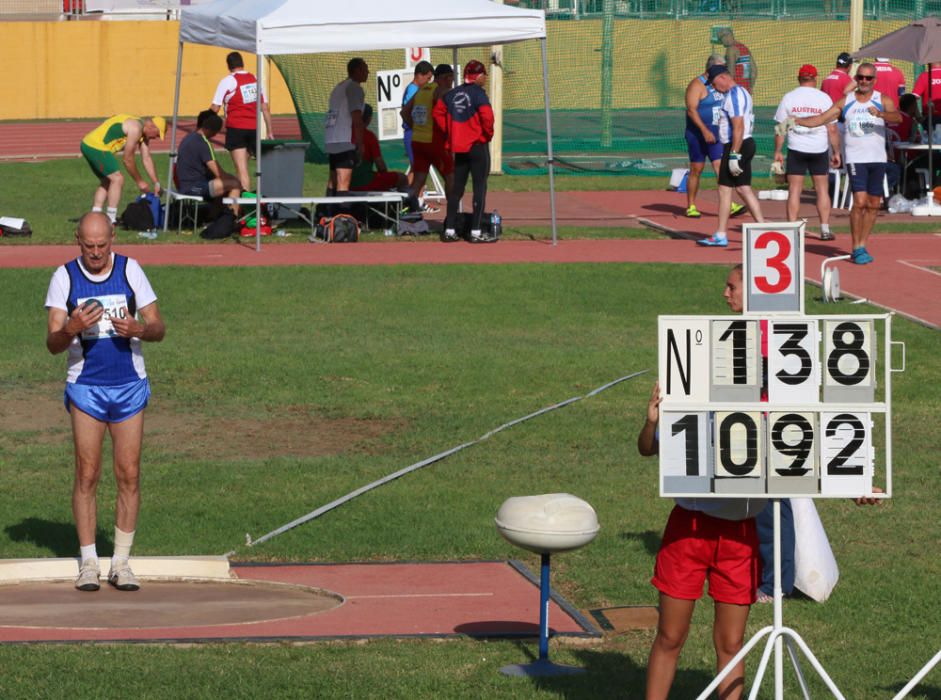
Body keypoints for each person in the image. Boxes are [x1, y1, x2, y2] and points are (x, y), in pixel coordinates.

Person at [640, 265, 765, 700]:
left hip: (739, 532)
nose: (724, 293)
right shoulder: (696, 360)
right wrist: (652, 421)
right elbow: (649, 447)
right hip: (689, 527)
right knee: (670, 636)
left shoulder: (779, 369)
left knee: (731, 644)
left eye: (732, 286)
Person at [45, 212, 166, 592]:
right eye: (89, 246)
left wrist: (140, 330)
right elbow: (52, 343)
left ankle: (122, 563)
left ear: (112, 237)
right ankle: (88, 563)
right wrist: (71, 329)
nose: (96, 253)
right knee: (87, 472)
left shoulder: (131, 270)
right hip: (87, 388)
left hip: (129, 385)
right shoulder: (64, 277)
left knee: (128, 473)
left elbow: (159, 327)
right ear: (77, 241)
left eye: (102, 245)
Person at [792, 62, 901, 265]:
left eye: (868, 78)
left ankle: (862, 244)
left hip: (877, 159)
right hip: (856, 159)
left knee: (873, 205)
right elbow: (821, 119)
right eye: (860, 77)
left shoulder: (882, 100)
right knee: (859, 202)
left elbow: (897, 117)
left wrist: (881, 115)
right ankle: (856, 247)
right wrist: (797, 120)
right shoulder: (846, 101)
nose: (864, 81)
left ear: (874, 80)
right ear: (856, 79)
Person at [698, 64, 765, 248]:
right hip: (740, 144)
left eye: (713, 83)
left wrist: (734, 154)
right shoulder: (739, 93)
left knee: (732, 189)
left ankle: (725, 233)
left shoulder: (734, 95)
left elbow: (738, 126)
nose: (713, 88)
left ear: (722, 78)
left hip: (738, 145)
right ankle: (726, 232)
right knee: (737, 188)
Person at [773, 64, 841, 241]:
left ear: (799, 78)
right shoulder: (824, 98)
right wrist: (836, 152)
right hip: (819, 148)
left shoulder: (789, 97)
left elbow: (781, 127)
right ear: (815, 78)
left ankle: (792, 228)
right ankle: (825, 228)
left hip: (797, 147)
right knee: (822, 190)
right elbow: (832, 128)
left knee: (794, 189)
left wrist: (778, 151)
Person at [433, 59, 495, 243]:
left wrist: (450, 131)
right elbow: (488, 118)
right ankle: (475, 231)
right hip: (477, 147)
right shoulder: (479, 95)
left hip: (458, 148)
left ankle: (450, 230)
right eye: (485, 74)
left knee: (456, 189)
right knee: (479, 188)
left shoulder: (452, 94)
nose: (486, 78)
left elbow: (437, 113)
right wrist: (486, 135)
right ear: (479, 76)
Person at [683, 54, 745, 220]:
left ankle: (729, 204)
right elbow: (691, 110)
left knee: (720, 167)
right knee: (697, 169)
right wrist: (704, 130)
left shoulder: (721, 84)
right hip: (698, 134)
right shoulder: (697, 85)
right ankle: (691, 205)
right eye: (721, 68)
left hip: (717, 134)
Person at [80, 115, 166, 225]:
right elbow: (127, 159)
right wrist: (140, 182)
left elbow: (146, 158)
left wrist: (156, 182)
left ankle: (95, 215)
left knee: (107, 181)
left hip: (88, 144)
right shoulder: (136, 128)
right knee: (117, 179)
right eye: (158, 134)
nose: (157, 137)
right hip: (95, 146)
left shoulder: (142, 132)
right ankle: (111, 219)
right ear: (151, 126)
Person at [210, 51, 274, 193]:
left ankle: (244, 205)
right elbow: (265, 108)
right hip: (254, 130)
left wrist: (204, 127)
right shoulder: (255, 79)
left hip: (237, 128)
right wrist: (270, 131)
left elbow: (215, 107)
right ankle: (244, 198)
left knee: (242, 169)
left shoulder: (228, 81)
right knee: (246, 167)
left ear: (229, 65)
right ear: (242, 63)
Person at [402, 63, 455, 217]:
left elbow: (404, 112)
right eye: (450, 78)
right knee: (451, 177)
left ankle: (407, 214)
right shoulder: (441, 91)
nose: (451, 82)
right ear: (444, 78)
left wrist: (416, 127)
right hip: (433, 142)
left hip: (417, 141)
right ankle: (452, 218)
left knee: (417, 181)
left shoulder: (421, 90)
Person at [175, 110, 241, 215]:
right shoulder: (203, 142)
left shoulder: (188, 137)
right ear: (209, 128)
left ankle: (214, 218)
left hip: (185, 185)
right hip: (193, 187)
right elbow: (219, 173)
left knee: (223, 184)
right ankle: (232, 219)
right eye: (216, 131)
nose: (215, 134)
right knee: (234, 184)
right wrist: (233, 178)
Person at [325, 57, 369, 200]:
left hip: (331, 138)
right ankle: (341, 218)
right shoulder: (355, 88)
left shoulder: (340, 86)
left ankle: (327, 214)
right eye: (365, 69)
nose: (368, 72)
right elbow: (356, 117)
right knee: (343, 182)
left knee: (333, 180)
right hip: (344, 139)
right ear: (357, 70)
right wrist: (361, 144)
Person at [350, 104, 409, 193]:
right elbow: (380, 165)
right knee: (403, 178)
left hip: (344, 183)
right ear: (369, 119)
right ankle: (402, 205)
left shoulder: (344, 134)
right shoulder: (369, 136)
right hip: (365, 183)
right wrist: (385, 177)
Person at [401, 61, 434, 188]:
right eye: (428, 78)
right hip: (413, 134)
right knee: (420, 170)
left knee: (416, 169)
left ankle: (411, 199)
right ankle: (416, 200)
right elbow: (408, 112)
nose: (428, 81)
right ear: (420, 75)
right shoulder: (413, 90)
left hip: (415, 133)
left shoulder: (415, 89)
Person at [718, 28, 756, 93]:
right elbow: (754, 71)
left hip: (735, 90)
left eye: (721, 38)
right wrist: (750, 87)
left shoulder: (731, 50)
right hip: (745, 90)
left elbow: (731, 73)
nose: (722, 41)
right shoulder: (744, 48)